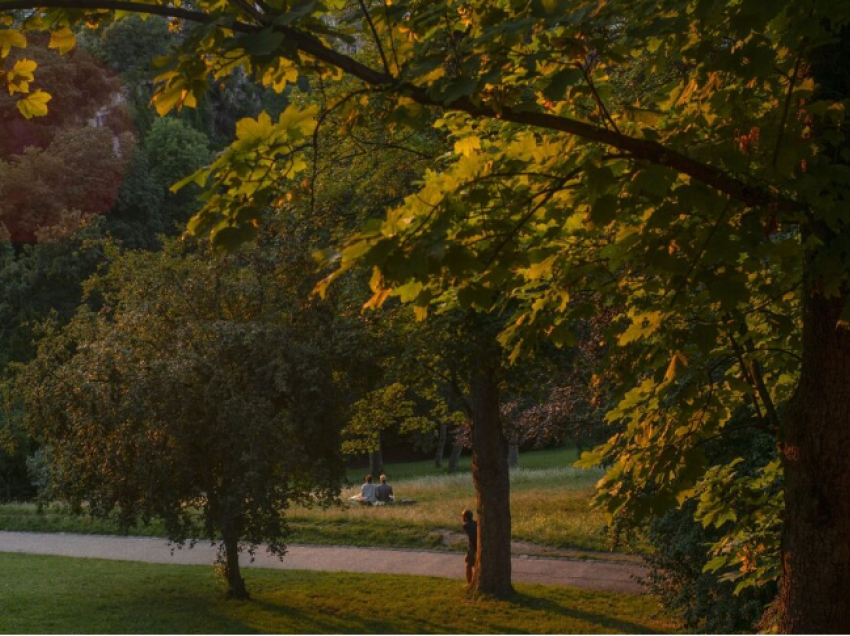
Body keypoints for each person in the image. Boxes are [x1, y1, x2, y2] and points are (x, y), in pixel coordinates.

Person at [462, 509, 477, 586]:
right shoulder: (476, 523)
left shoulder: (466, 525)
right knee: (475, 565)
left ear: (466, 517)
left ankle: (469, 583)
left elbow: (472, 537)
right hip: (475, 547)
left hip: (473, 548)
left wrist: (474, 550)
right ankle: (475, 581)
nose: (462, 518)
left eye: (463, 516)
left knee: (468, 566)